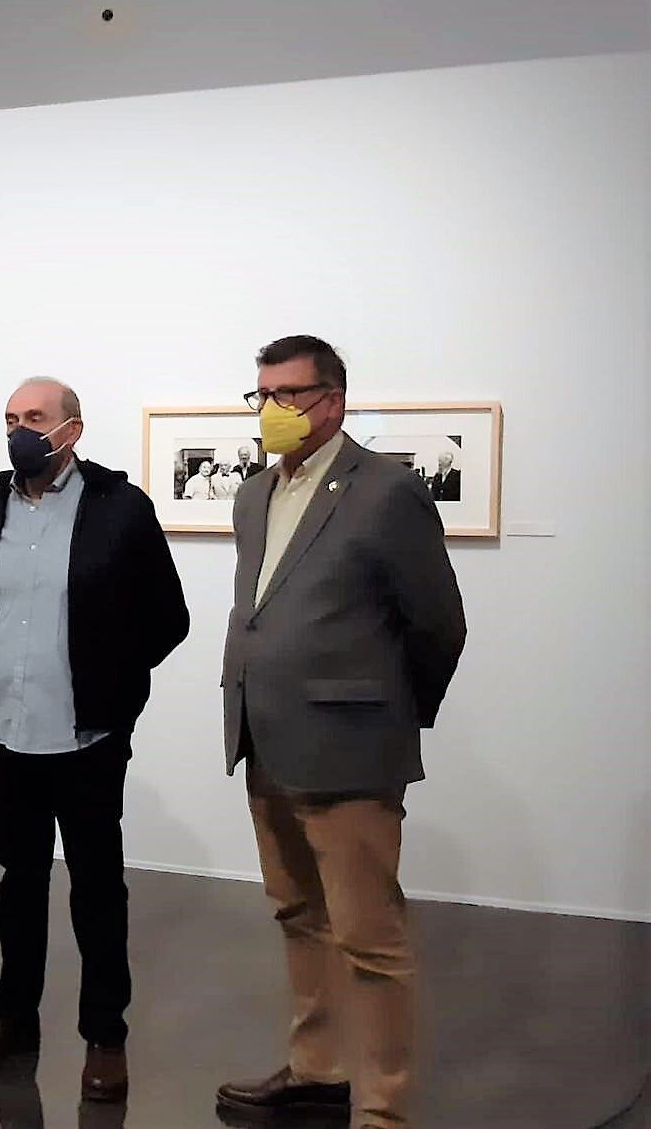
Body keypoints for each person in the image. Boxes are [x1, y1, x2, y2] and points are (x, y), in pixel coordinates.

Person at [219, 336, 466, 1129]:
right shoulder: (255, 492)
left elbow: (438, 624)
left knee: (370, 938)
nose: (273, 412)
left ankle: (384, 1109)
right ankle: (316, 1070)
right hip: (267, 736)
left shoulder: (385, 491)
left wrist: (387, 715)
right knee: (298, 915)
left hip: (353, 748)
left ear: (334, 399)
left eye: (289, 395)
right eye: (262, 396)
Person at [0, 377, 189, 1104]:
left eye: (35, 419)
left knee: (96, 889)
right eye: (10, 419)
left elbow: (168, 619)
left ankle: (104, 1034)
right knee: (18, 882)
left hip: (87, 738)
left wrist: (114, 681)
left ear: (72, 432)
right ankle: (14, 1014)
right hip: (4, 734)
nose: (20, 430)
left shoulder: (121, 510)